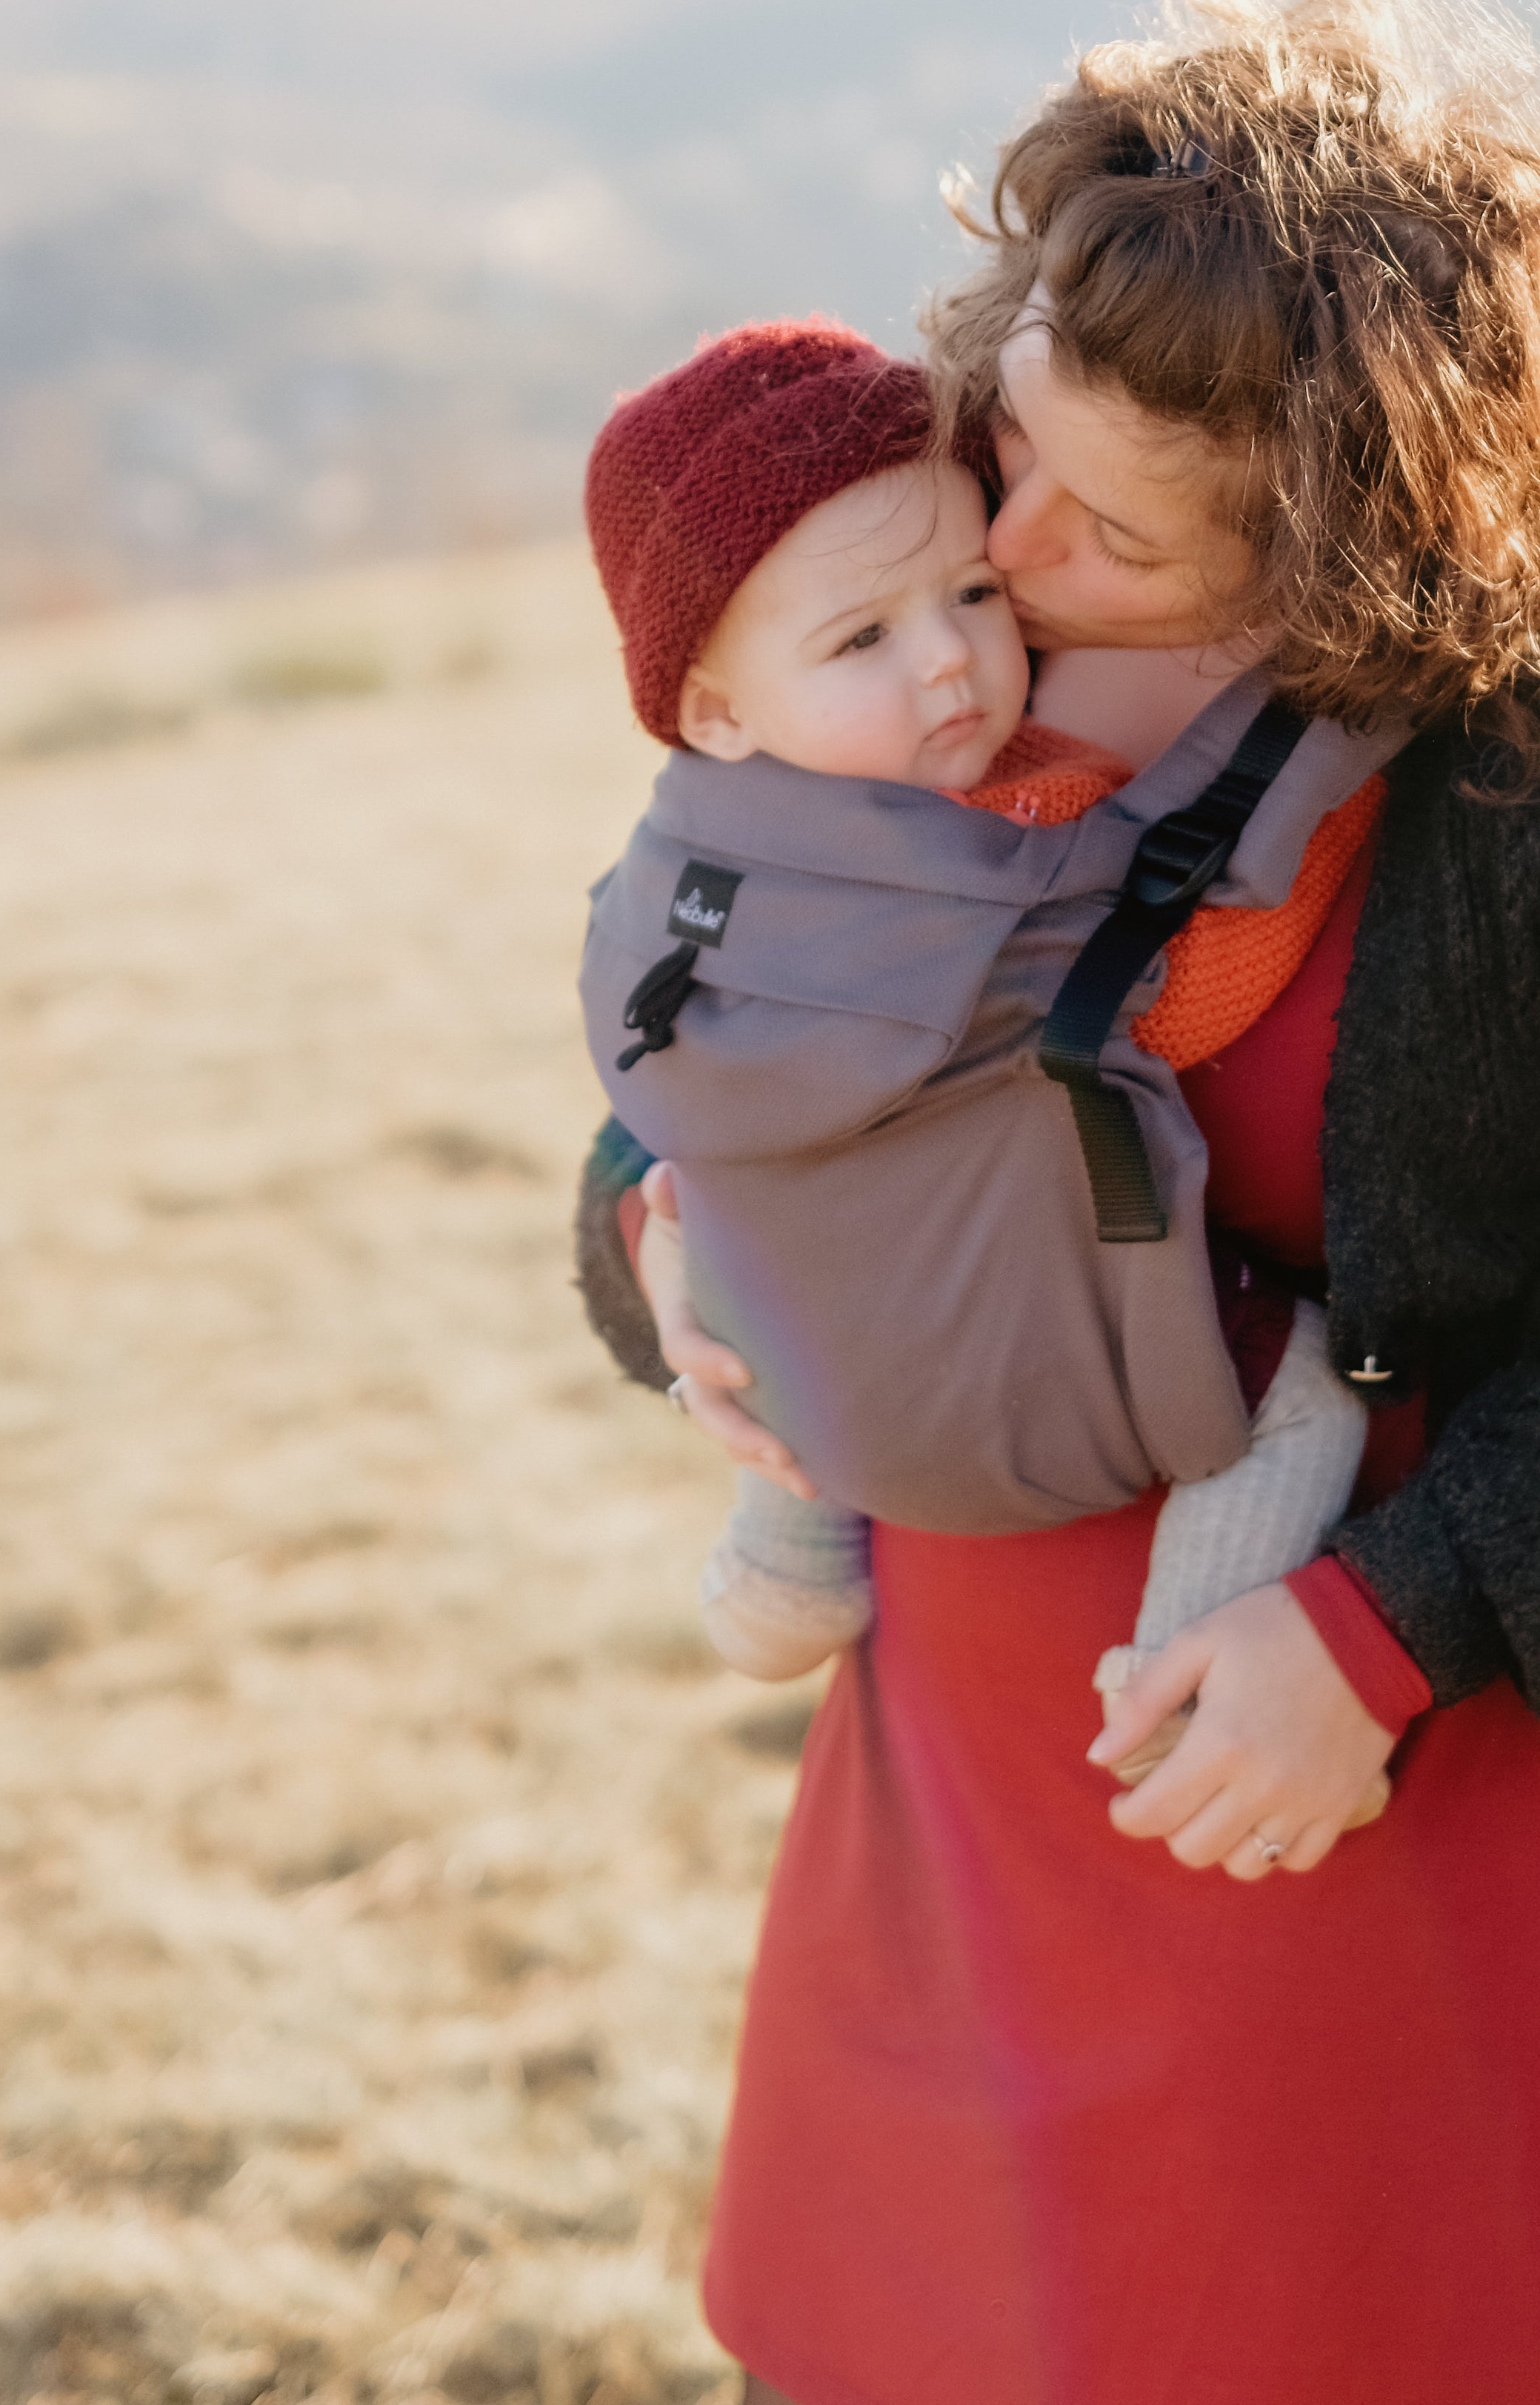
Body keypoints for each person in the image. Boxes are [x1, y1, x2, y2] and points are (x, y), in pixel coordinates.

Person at [564, 0, 1540, 2405]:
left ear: (1363, 548)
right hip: (964, 1796)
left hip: (1388, 1804)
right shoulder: (944, 576)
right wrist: (668, 1262)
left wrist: (1384, 1634)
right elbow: (747, 1020)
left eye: (1113, 531)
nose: (1004, 558)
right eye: (1010, 440)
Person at [571, 318, 1384, 1769]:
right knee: (1306, 1390)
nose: (951, 661)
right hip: (1026, 1404)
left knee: (775, 1270)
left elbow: (654, 1119)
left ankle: (782, 1558)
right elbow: (1196, 975)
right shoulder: (1005, 848)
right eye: (865, 638)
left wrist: (648, 1205)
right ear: (713, 704)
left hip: (811, 1371)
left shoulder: (673, 860)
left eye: (966, 592)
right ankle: (1178, 1680)